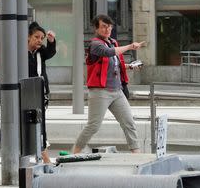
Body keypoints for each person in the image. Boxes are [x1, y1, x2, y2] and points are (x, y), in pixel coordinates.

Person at [72, 14, 145, 154]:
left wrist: (129, 66)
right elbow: (108, 53)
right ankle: (75, 152)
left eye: (109, 26)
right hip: (100, 91)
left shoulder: (113, 42)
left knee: (129, 122)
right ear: (96, 28)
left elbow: (114, 64)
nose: (107, 29)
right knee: (93, 126)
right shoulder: (95, 44)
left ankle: (136, 154)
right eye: (104, 26)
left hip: (117, 91)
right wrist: (130, 46)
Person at [27, 22, 56, 163]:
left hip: (40, 93)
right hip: (26, 93)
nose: (39, 40)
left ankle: (44, 156)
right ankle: (40, 156)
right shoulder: (21, 52)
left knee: (40, 124)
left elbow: (51, 52)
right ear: (28, 37)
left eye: (42, 38)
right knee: (27, 124)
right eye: (36, 37)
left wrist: (51, 42)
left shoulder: (41, 52)